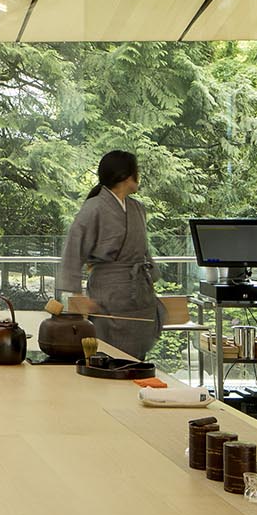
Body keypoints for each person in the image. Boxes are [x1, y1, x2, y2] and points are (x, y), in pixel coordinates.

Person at [58, 149, 164, 359]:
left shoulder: (137, 208)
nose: (138, 176)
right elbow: (74, 248)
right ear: (125, 175)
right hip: (108, 292)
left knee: (136, 356)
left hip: (138, 293)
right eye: (136, 171)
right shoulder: (94, 207)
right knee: (108, 353)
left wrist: (152, 279)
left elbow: (143, 249)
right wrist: (77, 296)